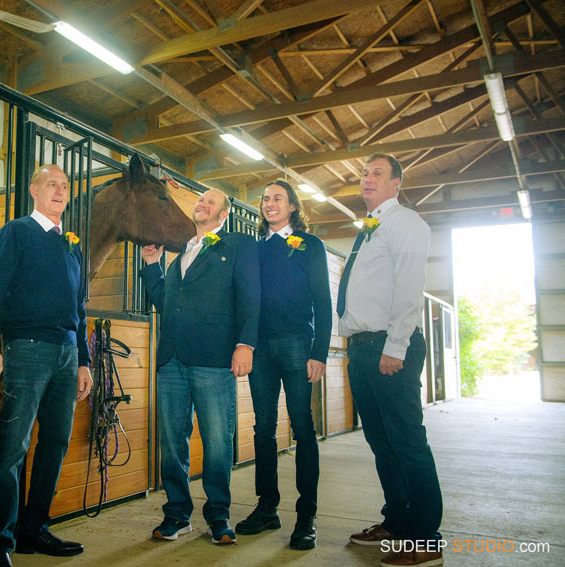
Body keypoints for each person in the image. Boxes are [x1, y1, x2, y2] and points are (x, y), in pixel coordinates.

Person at [0, 164, 93, 567]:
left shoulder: (73, 244)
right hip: (25, 349)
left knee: (56, 442)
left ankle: (34, 529)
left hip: (66, 353)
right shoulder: (16, 232)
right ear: (34, 190)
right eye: (51, 185)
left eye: (65, 185)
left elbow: (79, 307)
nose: (60, 191)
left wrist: (84, 360)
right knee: (13, 446)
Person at [338, 154, 443, 567]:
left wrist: (395, 347)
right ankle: (397, 522)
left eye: (377, 174)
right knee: (382, 444)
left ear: (397, 183)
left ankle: (424, 538)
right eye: (364, 173)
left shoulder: (405, 223)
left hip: (388, 346)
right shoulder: (370, 228)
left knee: (407, 443)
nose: (367, 179)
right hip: (363, 347)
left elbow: (409, 288)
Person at [139, 188, 260, 545]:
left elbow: (250, 296)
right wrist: (151, 266)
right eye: (200, 199)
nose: (202, 204)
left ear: (223, 215)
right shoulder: (181, 254)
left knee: (218, 441)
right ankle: (177, 513)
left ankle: (218, 515)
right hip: (172, 360)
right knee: (172, 441)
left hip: (213, 359)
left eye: (211, 202)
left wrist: (245, 344)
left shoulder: (236, 246)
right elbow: (165, 302)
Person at [236, 180, 331, 550]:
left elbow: (322, 302)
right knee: (263, 429)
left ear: (293, 207)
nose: (269, 203)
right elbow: (245, 301)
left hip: (296, 344)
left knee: (303, 426)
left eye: (277, 198)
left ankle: (306, 514)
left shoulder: (309, 246)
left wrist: (319, 352)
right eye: (264, 199)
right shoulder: (255, 250)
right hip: (260, 348)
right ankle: (267, 507)